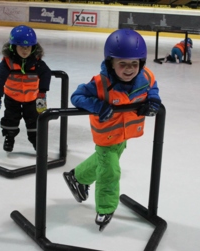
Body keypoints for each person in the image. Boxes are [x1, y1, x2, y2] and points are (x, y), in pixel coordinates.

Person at [63, 29, 161, 231]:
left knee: (105, 160)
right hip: (105, 135)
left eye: (134, 63)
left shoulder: (147, 77)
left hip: (124, 135)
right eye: (122, 64)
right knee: (110, 171)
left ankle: (76, 177)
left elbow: (153, 88)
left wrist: (153, 101)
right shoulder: (99, 84)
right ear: (111, 63)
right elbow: (76, 97)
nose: (129, 69)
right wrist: (98, 106)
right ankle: (105, 208)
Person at [0, 25, 52, 152]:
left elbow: (46, 74)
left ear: (33, 47)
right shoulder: (7, 62)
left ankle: (35, 140)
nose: (25, 50)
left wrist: (42, 94)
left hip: (32, 98)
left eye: (28, 47)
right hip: (12, 97)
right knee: (10, 118)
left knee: (33, 120)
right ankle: (9, 138)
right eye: (21, 46)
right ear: (13, 46)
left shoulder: (37, 62)